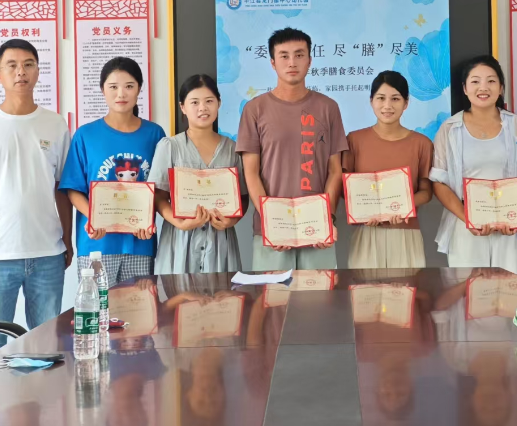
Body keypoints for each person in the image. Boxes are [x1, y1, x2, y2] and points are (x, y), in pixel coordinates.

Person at [0, 39, 72, 351]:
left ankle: (44, 388)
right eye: (12, 66)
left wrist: (67, 238)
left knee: (48, 344)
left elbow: (62, 187)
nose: (20, 72)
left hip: (48, 253)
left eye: (28, 64)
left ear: (38, 71)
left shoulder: (55, 124)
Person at [237, 27, 348, 270]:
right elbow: (251, 173)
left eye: (299, 55)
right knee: (273, 294)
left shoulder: (328, 108)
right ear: (272, 62)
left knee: (320, 294)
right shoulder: (254, 109)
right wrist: (270, 221)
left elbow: (335, 171)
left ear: (310, 60)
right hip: (271, 233)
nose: (292, 62)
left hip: (318, 232)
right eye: (284, 56)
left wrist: (327, 218)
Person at [430, 56, 517, 275]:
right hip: (465, 226)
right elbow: (439, 182)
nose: (483, 87)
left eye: (491, 81)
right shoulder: (449, 129)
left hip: (510, 229)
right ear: (465, 88)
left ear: (501, 88)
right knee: (469, 290)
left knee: (512, 290)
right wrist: (468, 219)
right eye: (475, 81)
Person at [59, 57, 165, 287]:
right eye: (113, 87)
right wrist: (93, 218)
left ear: (139, 89)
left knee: (139, 308)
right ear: (102, 90)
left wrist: (148, 219)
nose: (121, 94)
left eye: (129, 86)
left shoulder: (155, 134)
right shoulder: (86, 135)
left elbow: (160, 188)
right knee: (97, 308)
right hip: (97, 244)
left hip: (140, 242)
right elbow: (73, 189)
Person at [151, 74, 247, 274]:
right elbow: (158, 195)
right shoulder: (170, 147)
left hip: (220, 241)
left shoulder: (233, 149)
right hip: (179, 241)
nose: (202, 108)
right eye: (194, 102)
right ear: (183, 107)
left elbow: (243, 196)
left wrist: (232, 221)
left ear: (219, 103)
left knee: (222, 293)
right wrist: (179, 223)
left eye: (209, 101)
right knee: (179, 293)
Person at [343, 70, 433, 269]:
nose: (387, 106)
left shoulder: (422, 144)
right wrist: (364, 210)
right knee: (364, 287)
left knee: (407, 287)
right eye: (381, 98)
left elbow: (426, 192)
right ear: (371, 101)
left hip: (405, 233)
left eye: (395, 99)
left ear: (406, 103)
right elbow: (344, 188)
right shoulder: (354, 140)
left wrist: (401, 208)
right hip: (366, 232)